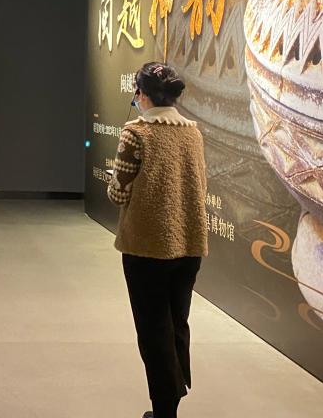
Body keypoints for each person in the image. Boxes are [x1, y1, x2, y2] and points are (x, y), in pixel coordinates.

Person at [107, 62, 207, 418]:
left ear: (142, 93)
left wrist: (115, 180)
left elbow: (118, 194)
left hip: (147, 247)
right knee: (176, 323)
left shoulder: (136, 133)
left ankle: (165, 411)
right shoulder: (193, 133)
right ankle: (173, 401)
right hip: (189, 246)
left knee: (153, 331)